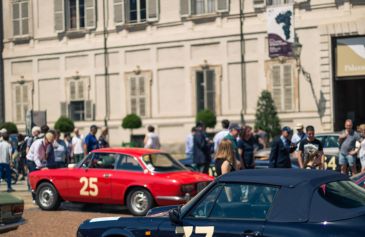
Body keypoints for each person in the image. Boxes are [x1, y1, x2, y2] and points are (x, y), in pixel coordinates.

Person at [26, 131, 55, 200]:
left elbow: (42, 156)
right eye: (49, 142)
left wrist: (44, 165)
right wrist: (41, 167)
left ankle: (38, 195)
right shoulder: (38, 144)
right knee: (34, 177)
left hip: (38, 161)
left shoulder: (47, 144)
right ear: (45, 139)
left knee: (40, 177)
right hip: (31, 161)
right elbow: (36, 157)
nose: (49, 144)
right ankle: (34, 198)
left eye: (50, 142)